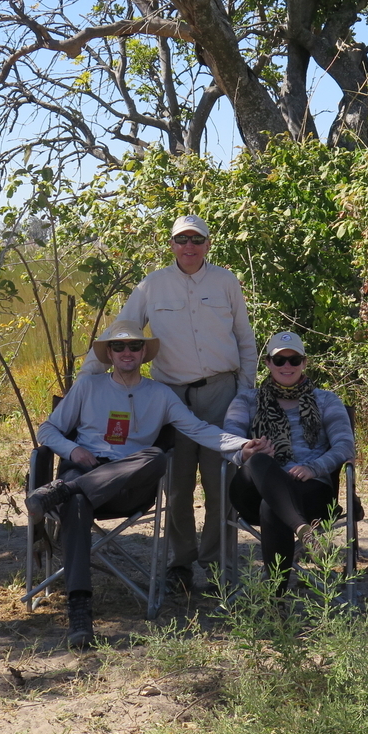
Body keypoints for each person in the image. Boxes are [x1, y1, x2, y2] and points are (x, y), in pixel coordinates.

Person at [28, 320, 271, 648]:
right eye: (118, 347)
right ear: (109, 354)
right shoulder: (88, 386)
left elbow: (199, 429)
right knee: (77, 501)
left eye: (134, 346)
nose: (126, 352)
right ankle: (80, 611)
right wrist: (74, 450)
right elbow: (47, 431)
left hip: (130, 483)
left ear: (144, 353)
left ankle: (62, 491)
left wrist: (241, 447)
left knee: (154, 458)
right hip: (85, 472)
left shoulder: (160, 394)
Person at [76, 215, 256, 594]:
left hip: (222, 393)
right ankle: (180, 565)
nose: (188, 246)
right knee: (176, 485)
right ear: (171, 244)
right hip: (169, 395)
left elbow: (245, 340)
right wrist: (84, 382)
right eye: (181, 240)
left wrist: (245, 392)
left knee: (221, 482)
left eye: (196, 239)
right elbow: (120, 332)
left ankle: (219, 565)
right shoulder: (151, 285)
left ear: (208, 243)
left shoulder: (226, 282)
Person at [223, 331, 354, 589]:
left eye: (294, 360)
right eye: (279, 360)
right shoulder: (246, 400)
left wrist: (313, 467)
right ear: (268, 364)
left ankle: (276, 599)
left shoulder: (327, 400)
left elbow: (345, 446)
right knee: (260, 462)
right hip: (252, 488)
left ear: (304, 363)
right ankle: (303, 530)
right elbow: (227, 442)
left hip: (309, 489)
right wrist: (246, 450)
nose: (287, 366)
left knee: (272, 505)